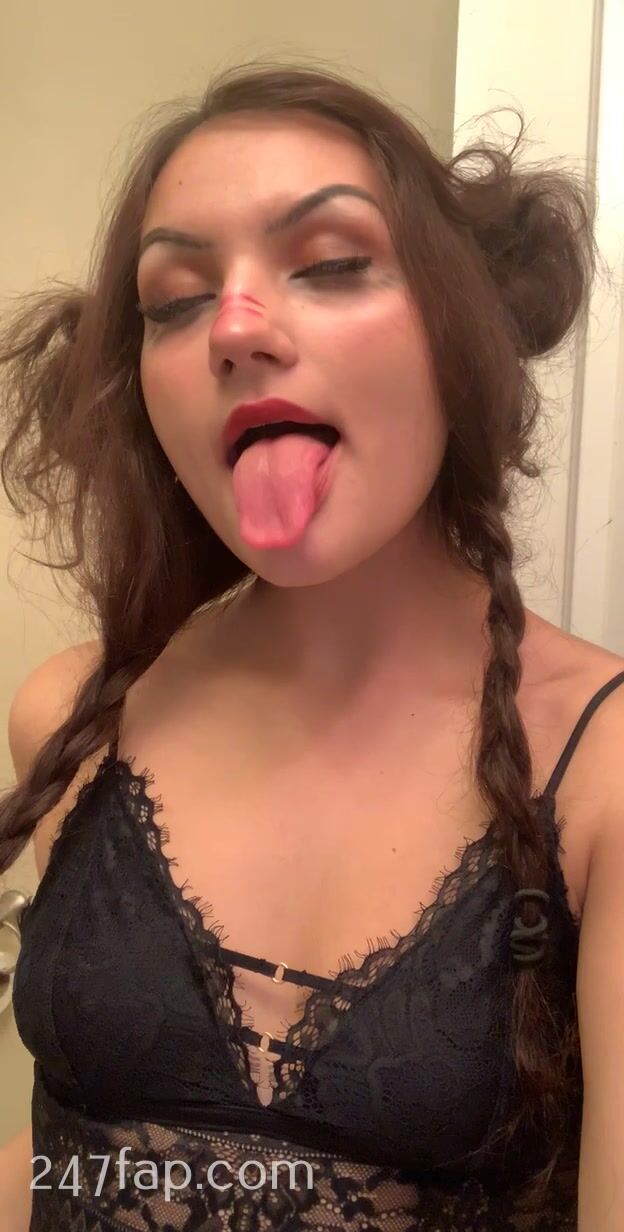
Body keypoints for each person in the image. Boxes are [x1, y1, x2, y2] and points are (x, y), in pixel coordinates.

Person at [0, 58, 623, 1232]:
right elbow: (75, 1152)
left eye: (333, 263)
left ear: (461, 325)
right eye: (177, 299)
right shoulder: (73, 716)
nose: (234, 328)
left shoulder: (602, 771)